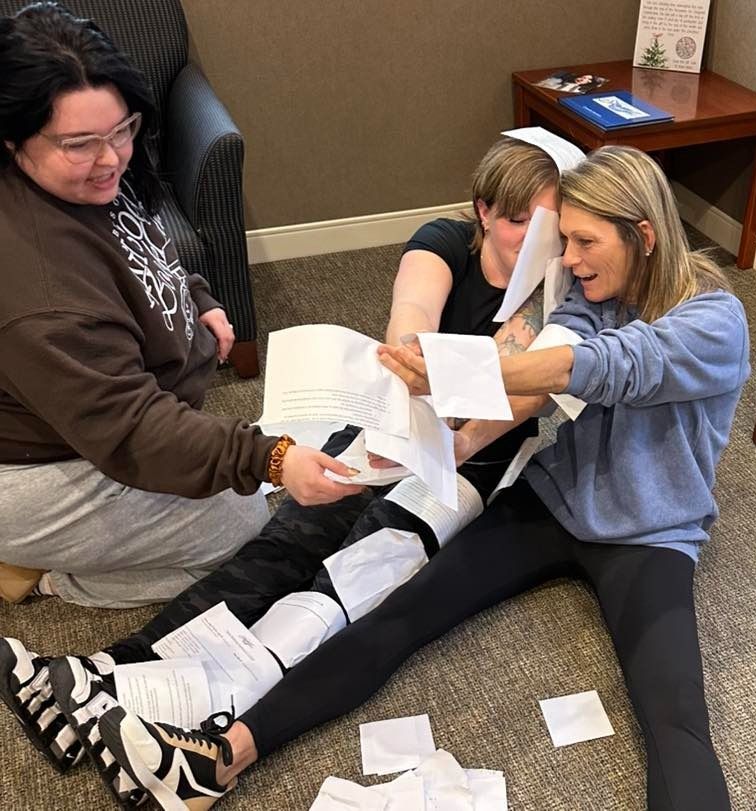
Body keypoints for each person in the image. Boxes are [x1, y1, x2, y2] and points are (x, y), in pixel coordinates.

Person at [82, 145, 751, 811]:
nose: (568, 259)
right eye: (565, 239)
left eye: (584, 242)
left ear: (644, 235)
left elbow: (602, 366)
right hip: (551, 502)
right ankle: (218, 759)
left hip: (651, 535)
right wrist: (455, 437)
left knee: (675, 716)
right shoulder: (592, 293)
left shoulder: (715, 321)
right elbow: (546, 368)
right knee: (401, 612)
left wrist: (457, 369)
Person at [0, 129, 561, 804]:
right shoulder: (445, 240)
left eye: (549, 223)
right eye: (518, 220)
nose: (534, 239)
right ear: (483, 212)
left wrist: (453, 441)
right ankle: (108, 671)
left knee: (346, 579)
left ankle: (181, 713)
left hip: (469, 461)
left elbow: (519, 391)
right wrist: (412, 375)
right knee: (282, 545)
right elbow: (410, 317)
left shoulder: (559, 289)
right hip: (394, 422)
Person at [0, 2, 364, 609]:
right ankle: (41, 576)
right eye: (81, 143)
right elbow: (134, 429)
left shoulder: (84, 177)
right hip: (35, 470)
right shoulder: (42, 294)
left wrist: (194, 296)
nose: (112, 157)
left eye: (122, 129)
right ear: (12, 137)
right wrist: (269, 457)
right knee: (243, 530)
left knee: (239, 490)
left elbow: (141, 246)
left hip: (95, 422)